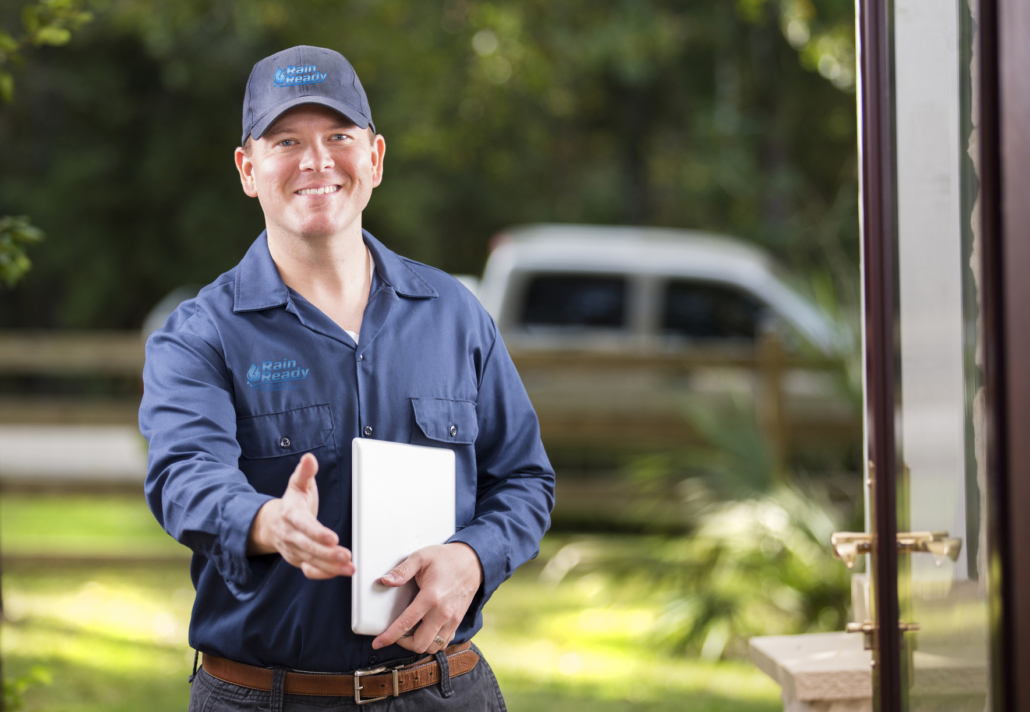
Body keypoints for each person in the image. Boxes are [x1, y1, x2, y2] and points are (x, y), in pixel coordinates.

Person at [139, 45, 554, 711]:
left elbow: (525, 478)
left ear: (375, 158)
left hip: (443, 691)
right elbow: (183, 477)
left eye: (338, 136)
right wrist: (269, 522)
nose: (317, 160)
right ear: (248, 170)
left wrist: (475, 557)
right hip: (268, 698)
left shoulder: (455, 316)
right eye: (286, 141)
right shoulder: (201, 335)